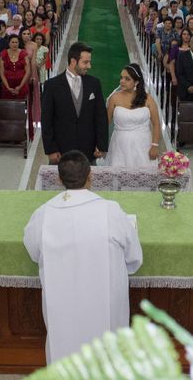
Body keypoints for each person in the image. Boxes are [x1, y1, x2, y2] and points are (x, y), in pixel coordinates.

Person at [23, 150, 142, 363]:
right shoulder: (111, 211)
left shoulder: (44, 214)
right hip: (105, 303)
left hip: (62, 302)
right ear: (91, 176)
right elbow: (134, 258)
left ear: (59, 179)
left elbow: (33, 252)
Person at [41, 42, 109, 164]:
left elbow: (100, 117)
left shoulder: (94, 84)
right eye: (85, 62)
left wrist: (101, 145)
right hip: (61, 152)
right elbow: (46, 120)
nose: (89, 66)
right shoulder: (52, 86)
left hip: (88, 152)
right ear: (73, 61)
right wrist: (50, 149)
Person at [105, 64, 161, 167]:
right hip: (119, 145)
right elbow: (105, 122)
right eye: (121, 78)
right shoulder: (114, 98)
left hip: (143, 145)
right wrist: (100, 145)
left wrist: (155, 145)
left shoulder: (148, 99)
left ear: (136, 82)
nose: (122, 81)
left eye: (127, 79)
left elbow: (156, 123)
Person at [0, 34, 30, 100]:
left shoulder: (24, 54)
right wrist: (8, 87)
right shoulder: (3, 54)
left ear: (19, 43)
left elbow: (28, 72)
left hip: (21, 84)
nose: (14, 44)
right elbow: (1, 72)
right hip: (7, 84)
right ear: (9, 43)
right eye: (12, 42)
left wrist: (20, 87)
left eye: (16, 42)